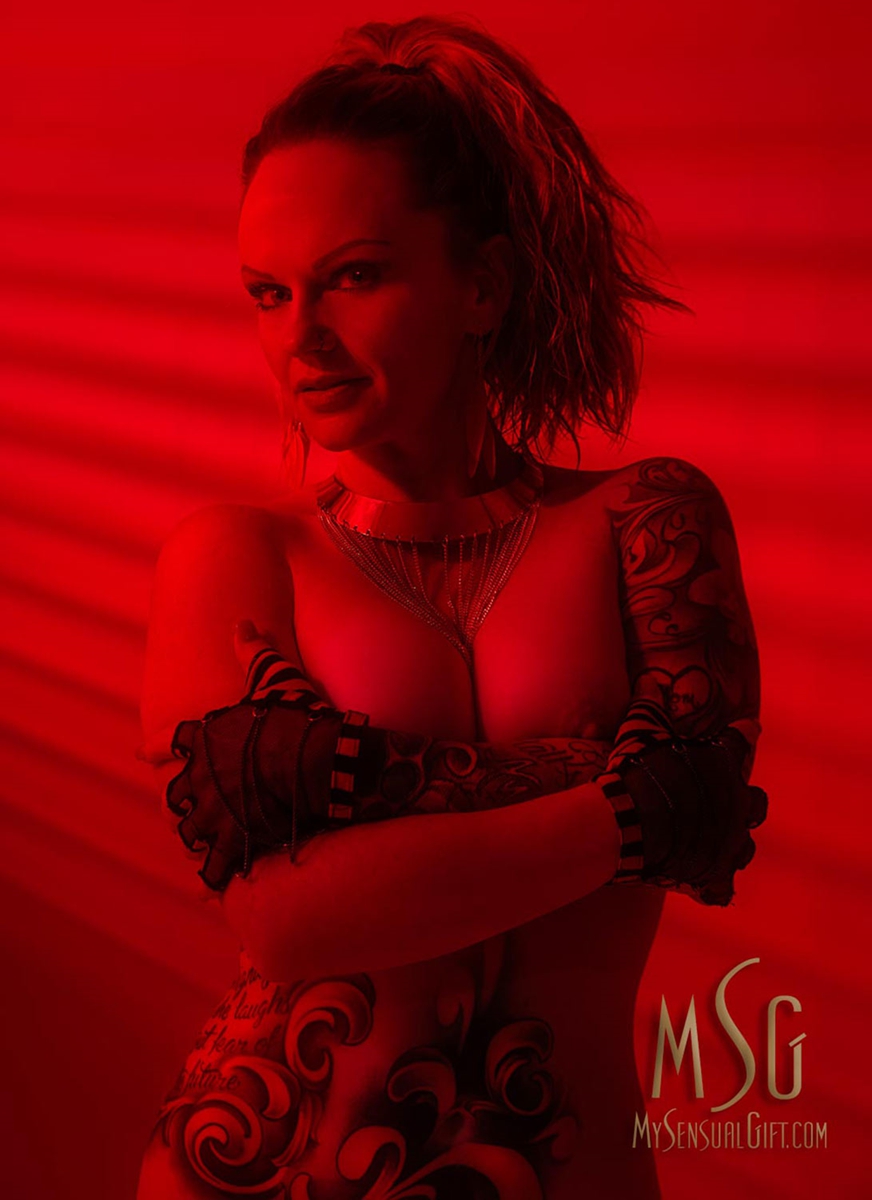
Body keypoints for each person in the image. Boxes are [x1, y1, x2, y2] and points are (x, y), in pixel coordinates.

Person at [135, 15, 766, 1199]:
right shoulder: (234, 556)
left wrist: (347, 779)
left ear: (483, 285)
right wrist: (623, 796)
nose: (299, 339)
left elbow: (708, 810)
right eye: (266, 294)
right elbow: (290, 925)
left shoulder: (646, 520)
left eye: (353, 277)